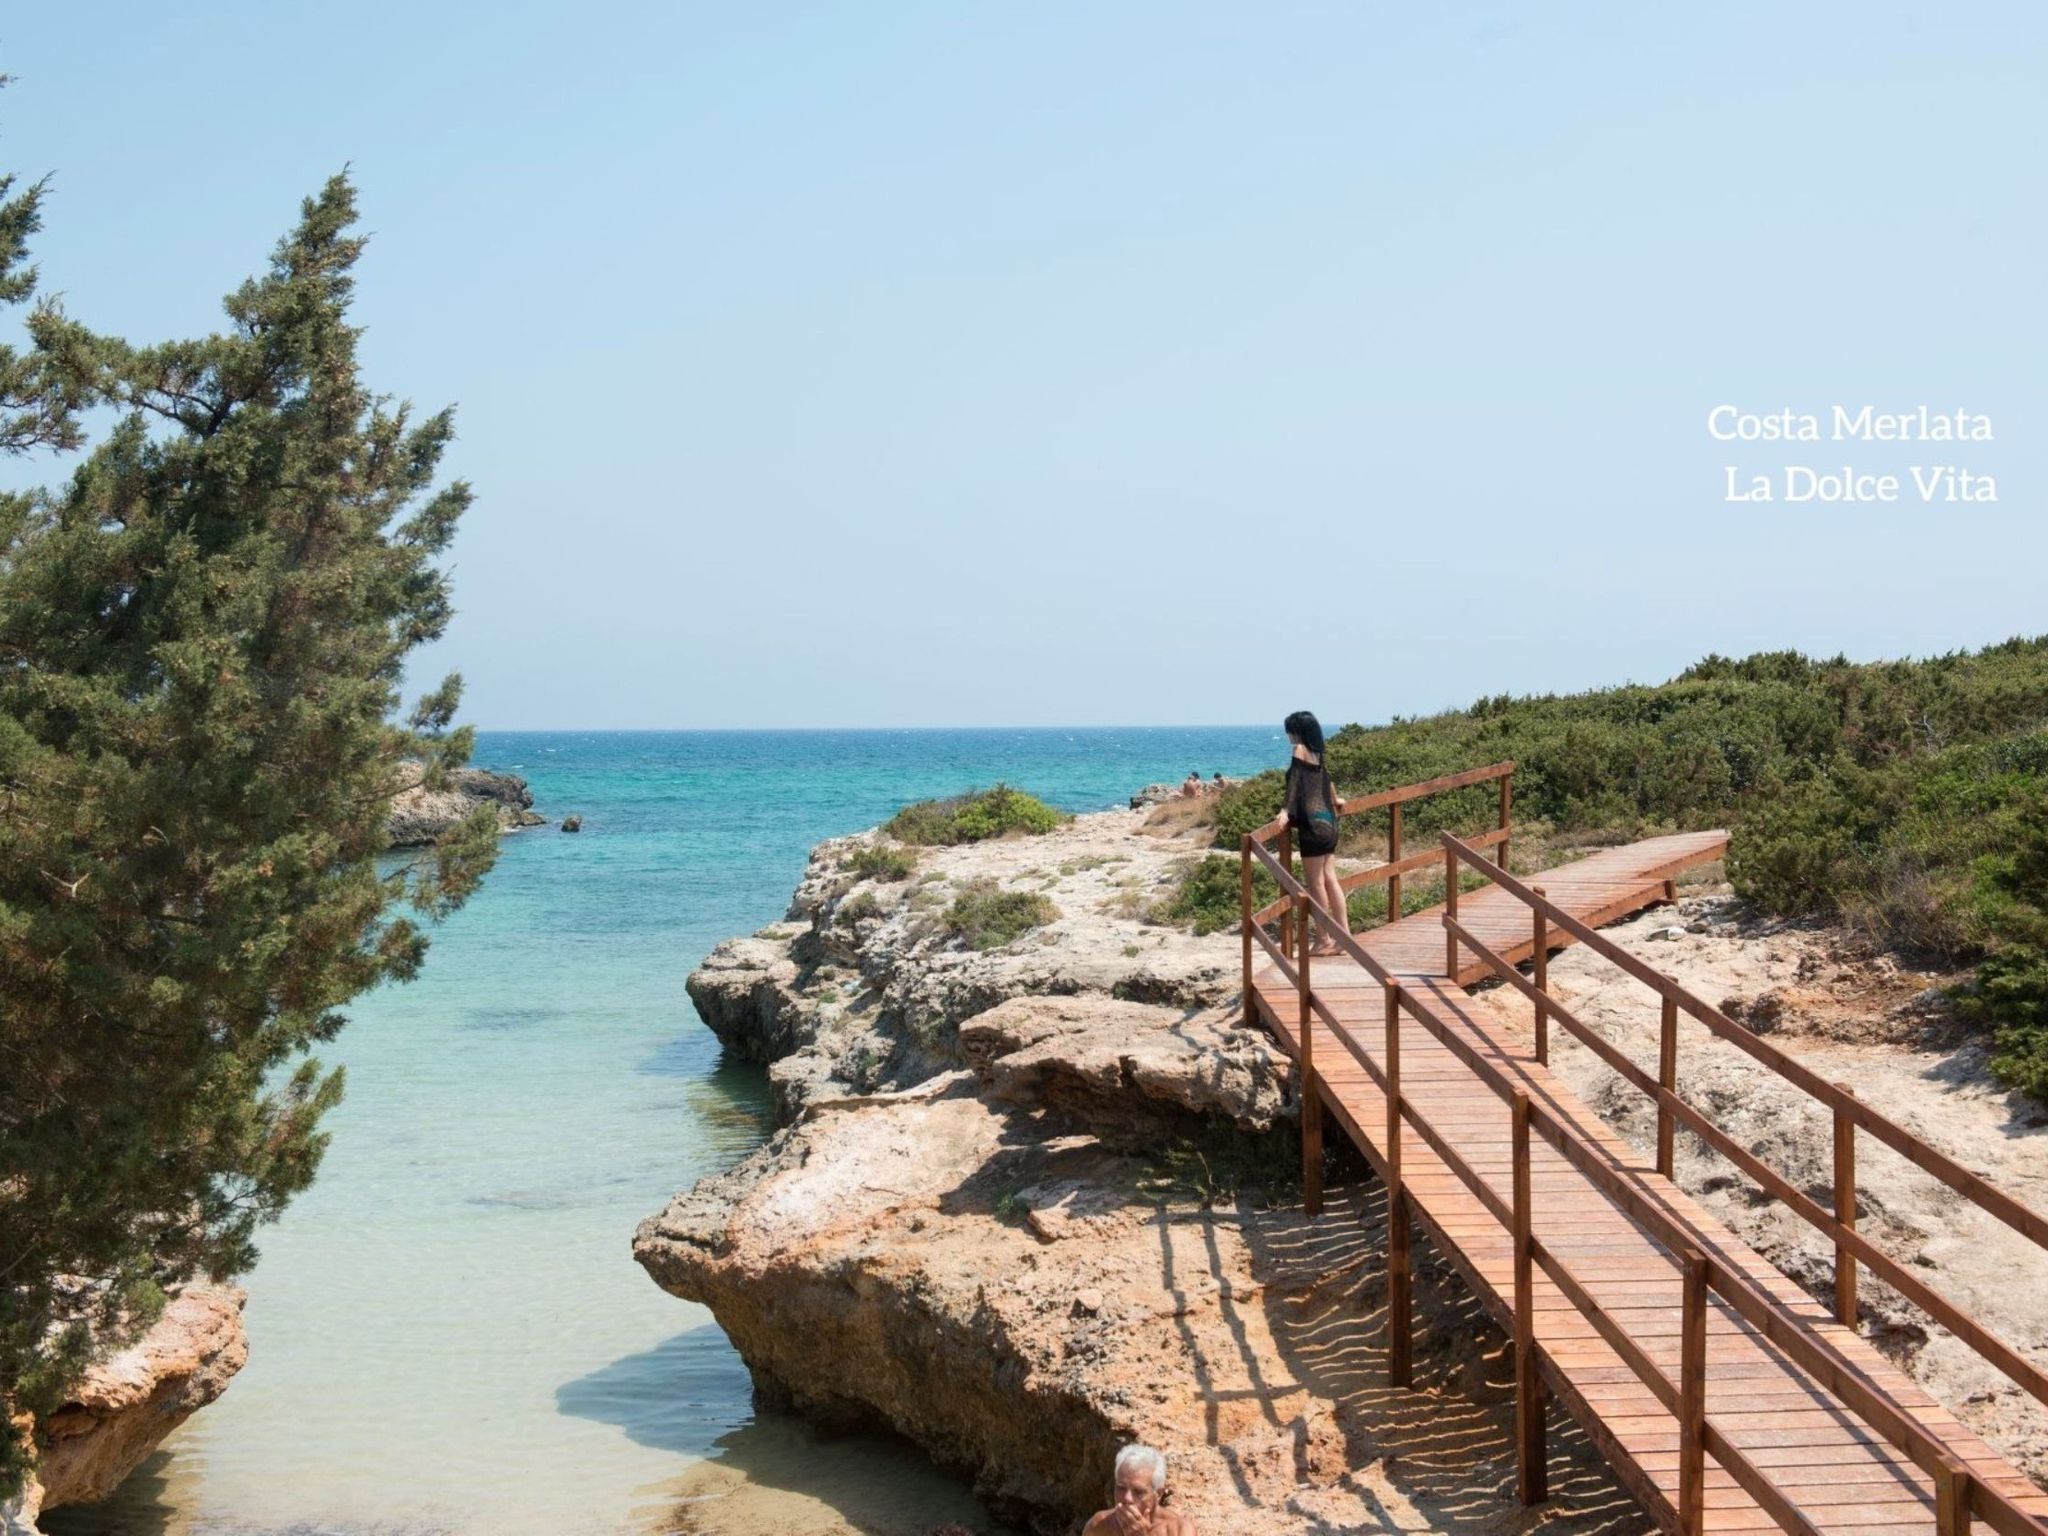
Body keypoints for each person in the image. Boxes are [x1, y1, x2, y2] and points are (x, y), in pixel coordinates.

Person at [1258, 709, 1349, 956]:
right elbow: (1325, 780)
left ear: (1297, 731)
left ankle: (1323, 939)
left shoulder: (1300, 749)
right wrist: (1336, 799)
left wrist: (1285, 810)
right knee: (1330, 879)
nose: (1288, 736)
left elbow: (1295, 780)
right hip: (1329, 822)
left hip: (1312, 824)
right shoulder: (1318, 753)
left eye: (1289, 731)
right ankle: (1345, 937)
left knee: (1316, 883)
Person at [1084, 1444, 1196, 1535]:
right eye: (1121, 1488)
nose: (1127, 1498)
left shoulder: (1179, 1530)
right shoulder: (1099, 1525)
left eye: (1138, 1492)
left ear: (1158, 1493)